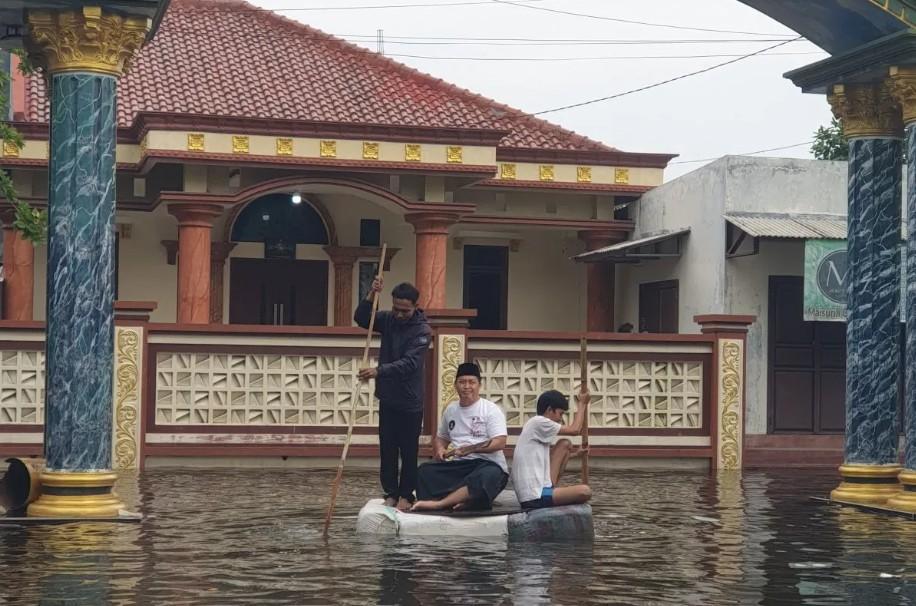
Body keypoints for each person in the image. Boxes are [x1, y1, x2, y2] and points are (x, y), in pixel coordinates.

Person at [354, 278, 431, 511]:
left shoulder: (422, 331)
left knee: (408, 451)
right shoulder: (387, 319)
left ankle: (407, 494)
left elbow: (409, 364)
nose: (398, 314)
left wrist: (378, 371)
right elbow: (362, 319)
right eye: (396, 308)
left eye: (404, 311)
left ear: (415, 306)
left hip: (410, 402)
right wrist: (371, 294)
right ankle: (390, 492)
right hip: (388, 397)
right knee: (387, 449)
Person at [412, 362, 509, 511]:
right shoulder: (451, 410)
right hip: (460, 465)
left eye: (472, 382)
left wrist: (470, 449)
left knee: (486, 476)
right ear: (455, 385)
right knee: (424, 471)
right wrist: (440, 449)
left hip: (487, 464)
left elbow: (500, 442)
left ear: (479, 385)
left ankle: (440, 503)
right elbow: (441, 438)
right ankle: (467, 500)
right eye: (462, 382)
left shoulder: (490, 409)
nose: (467, 386)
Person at [511, 388, 593, 511]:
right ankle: (553, 494)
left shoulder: (537, 428)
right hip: (534, 496)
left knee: (564, 445)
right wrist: (582, 404)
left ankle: (553, 491)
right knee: (585, 491)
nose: (561, 418)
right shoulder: (538, 422)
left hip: (540, 489)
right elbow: (575, 430)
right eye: (560, 413)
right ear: (549, 410)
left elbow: (546, 459)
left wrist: (576, 454)